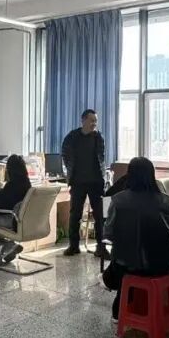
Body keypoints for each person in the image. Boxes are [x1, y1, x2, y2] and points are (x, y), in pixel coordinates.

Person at [102, 157, 169, 320]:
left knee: (122, 267)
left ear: (129, 175)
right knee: (131, 265)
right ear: (152, 175)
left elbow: (108, 233)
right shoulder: (165, 200)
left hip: (126, 264)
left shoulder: (118, 200)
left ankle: (119, 311)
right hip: (162, 265)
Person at [61, 109, 107, 257]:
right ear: (83, 120)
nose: (94, 124)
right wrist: (70, 169)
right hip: (78, 182)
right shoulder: (72, 137)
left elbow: (102, 158)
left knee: (100, 216)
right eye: (92, 120)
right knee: (75, 215)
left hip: (96, 182)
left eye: (96, 121)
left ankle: (101, 247)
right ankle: (73, 246)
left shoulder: (98, 137)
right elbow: (65, 154)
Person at [0, 154, 32, 265]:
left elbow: (1, 203)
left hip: (10, 219)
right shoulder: (27, 183)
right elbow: (7, 195)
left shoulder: (12, 184)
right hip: (21, 220)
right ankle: (10, 246)